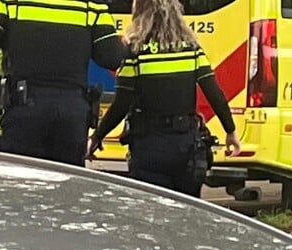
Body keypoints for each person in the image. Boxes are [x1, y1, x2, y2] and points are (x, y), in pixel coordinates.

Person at [89, 0, 241, 196]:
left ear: (140, 13)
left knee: (151, 214)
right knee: (187, 212)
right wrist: (230, 131)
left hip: (149, 147)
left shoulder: (135, 51)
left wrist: (97, 136)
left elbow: (121, 103)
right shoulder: (191, 48)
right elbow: (214, 93)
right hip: (186, 146)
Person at [0, 0, 126, 165]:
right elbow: (112, 57)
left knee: (22, 181)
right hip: (70, 116)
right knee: (66, 184)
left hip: (23, 110)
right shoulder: (91, 7)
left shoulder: (9, 3)